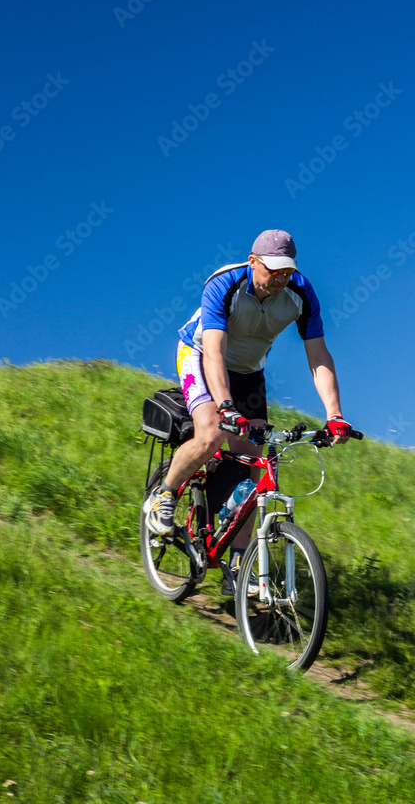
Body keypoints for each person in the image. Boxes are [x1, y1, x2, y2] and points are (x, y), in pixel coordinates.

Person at [143, 229, 351, 593]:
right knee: (210, 432)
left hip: (249, 371)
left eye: (286, 271)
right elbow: (214, 352)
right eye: (273, 270)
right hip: (201, 356)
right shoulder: (224, 284)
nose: (280, 278)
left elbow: (318, 357)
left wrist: (335, 416)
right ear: (253, 261)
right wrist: (225, 407)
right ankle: (165, 493)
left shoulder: (301, 293)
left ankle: (237, 565)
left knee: (255, 462)